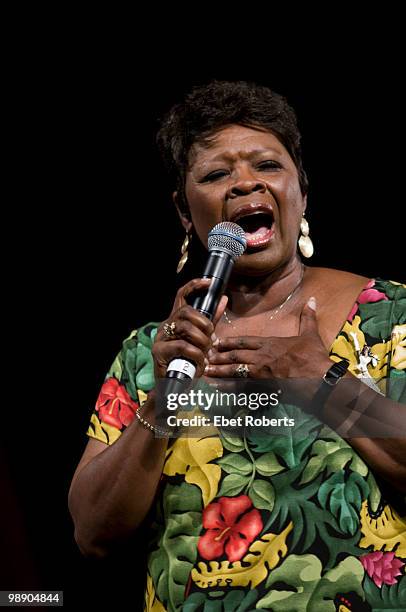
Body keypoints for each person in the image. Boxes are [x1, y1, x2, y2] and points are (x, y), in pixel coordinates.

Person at [68, 81, 406, 612]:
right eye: (216, 174)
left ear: (302, 191)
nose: (244, 183)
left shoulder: (389, 316)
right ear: (185, 212)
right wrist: (164, 399)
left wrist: (322, 381)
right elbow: (92, 534)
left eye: (268, 166)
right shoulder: (149, 353)